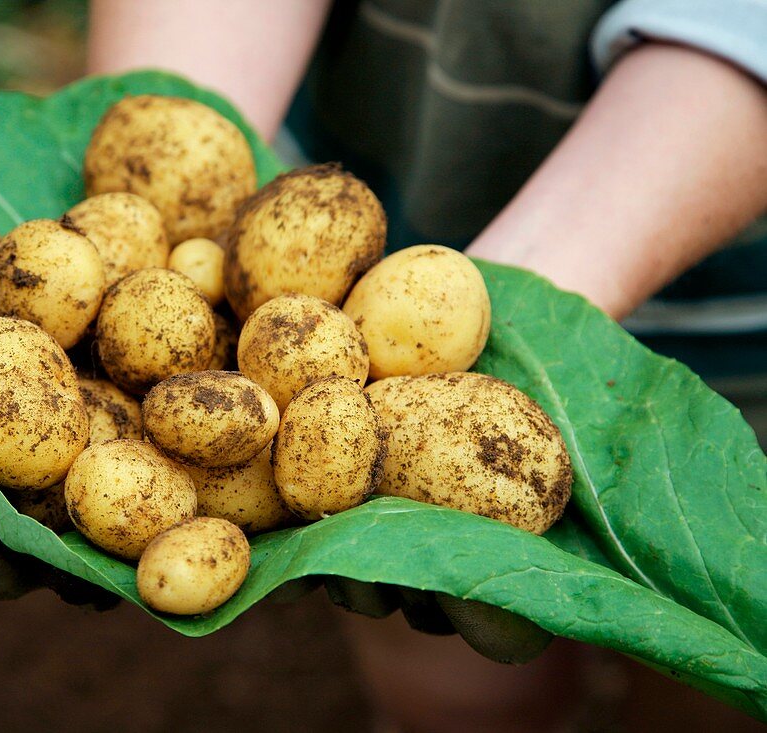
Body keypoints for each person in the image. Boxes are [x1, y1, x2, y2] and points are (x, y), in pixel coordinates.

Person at [83, 0, 767, 730]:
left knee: (706, 642)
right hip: (387, 185)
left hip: (707, 233)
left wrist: (523, 314)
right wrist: (161, 162)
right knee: (449, 681)